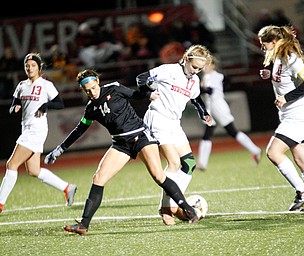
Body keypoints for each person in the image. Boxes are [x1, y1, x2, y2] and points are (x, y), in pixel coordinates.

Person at [45, 69, 200, 236]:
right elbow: (79, 130)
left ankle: (188, 209)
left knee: (158, 176)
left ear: (97, 81)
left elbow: (134, 94)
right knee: (98, 178)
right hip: (120, 144)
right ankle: (84, 225)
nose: (92, 92)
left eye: (93, 87)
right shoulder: (91, 108)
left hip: (141, 136)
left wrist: (149, 94)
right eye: (87, 90)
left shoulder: (114, 88)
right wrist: (60, 149)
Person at [136, 44, 214, 225]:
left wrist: (203, 112)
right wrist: (148, 93)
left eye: (200, 69)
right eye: (194, 67)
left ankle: (171, 204)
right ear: (186, 59)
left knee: (189, 164)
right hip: (157, 118)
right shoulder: (168, 70)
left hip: (173, 123)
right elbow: (141, 78)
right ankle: (166, 209)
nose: (196, 72)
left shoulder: (193, 80)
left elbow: (195, 98)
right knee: (174, 163)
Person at [0, 52, 77, 214]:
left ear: (39, 67)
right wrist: (15, 107)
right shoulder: (21, 85)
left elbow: (59, 103)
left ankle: (0, 204)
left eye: (33, 65)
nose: (29, 68)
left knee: (11, 164)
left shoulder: (46, 85)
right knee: (33, 170)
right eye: (27, 66)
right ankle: (67, 188)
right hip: (26, 128)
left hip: (36, 130)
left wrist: (45, 106)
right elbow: (15, 102)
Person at [258, 25, 304, 211]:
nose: (262, 47)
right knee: (302, 159)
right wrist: (270, 75)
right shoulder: (278, 58)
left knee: (273, 152)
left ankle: (302, 191)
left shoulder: (290, 58)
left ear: (275, 41)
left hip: (299, 115)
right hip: (293, 115)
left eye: (264, 43)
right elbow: (285, 79)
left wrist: (286, 98)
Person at [197, 56, 262, 171]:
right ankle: (202, 163)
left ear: (213, 65)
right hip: (211, 107)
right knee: (207, 133)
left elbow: (210, 90)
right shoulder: (207, 77)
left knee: (232, 131)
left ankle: (256, 150)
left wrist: (197, 89)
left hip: (218, 106)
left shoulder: (215, 76)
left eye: (206, 65)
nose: (204, 67)